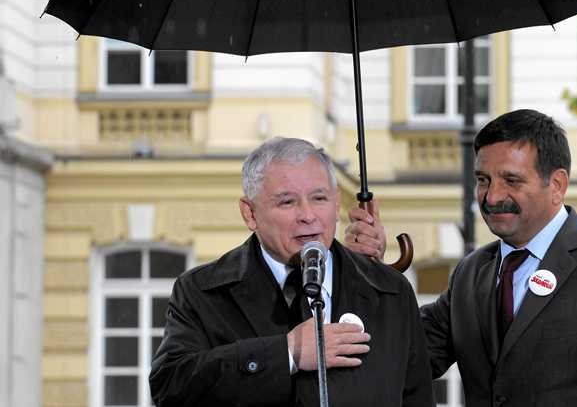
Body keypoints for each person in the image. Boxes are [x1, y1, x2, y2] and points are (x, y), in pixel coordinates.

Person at [346, 109, 577, 407]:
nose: (492, 197)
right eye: (482, 180)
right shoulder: (470, 274)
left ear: (557, 184)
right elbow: (402, 356)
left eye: (511, 180)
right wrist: (366, 271)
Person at [150, 137, 434, 407]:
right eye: (287, 202)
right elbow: (170, 388)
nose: (307, 215)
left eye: (319, 198)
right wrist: (286, 353)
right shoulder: (201, 291)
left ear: (337, 204)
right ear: (250, 213)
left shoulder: (390, 289)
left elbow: (416, 397)